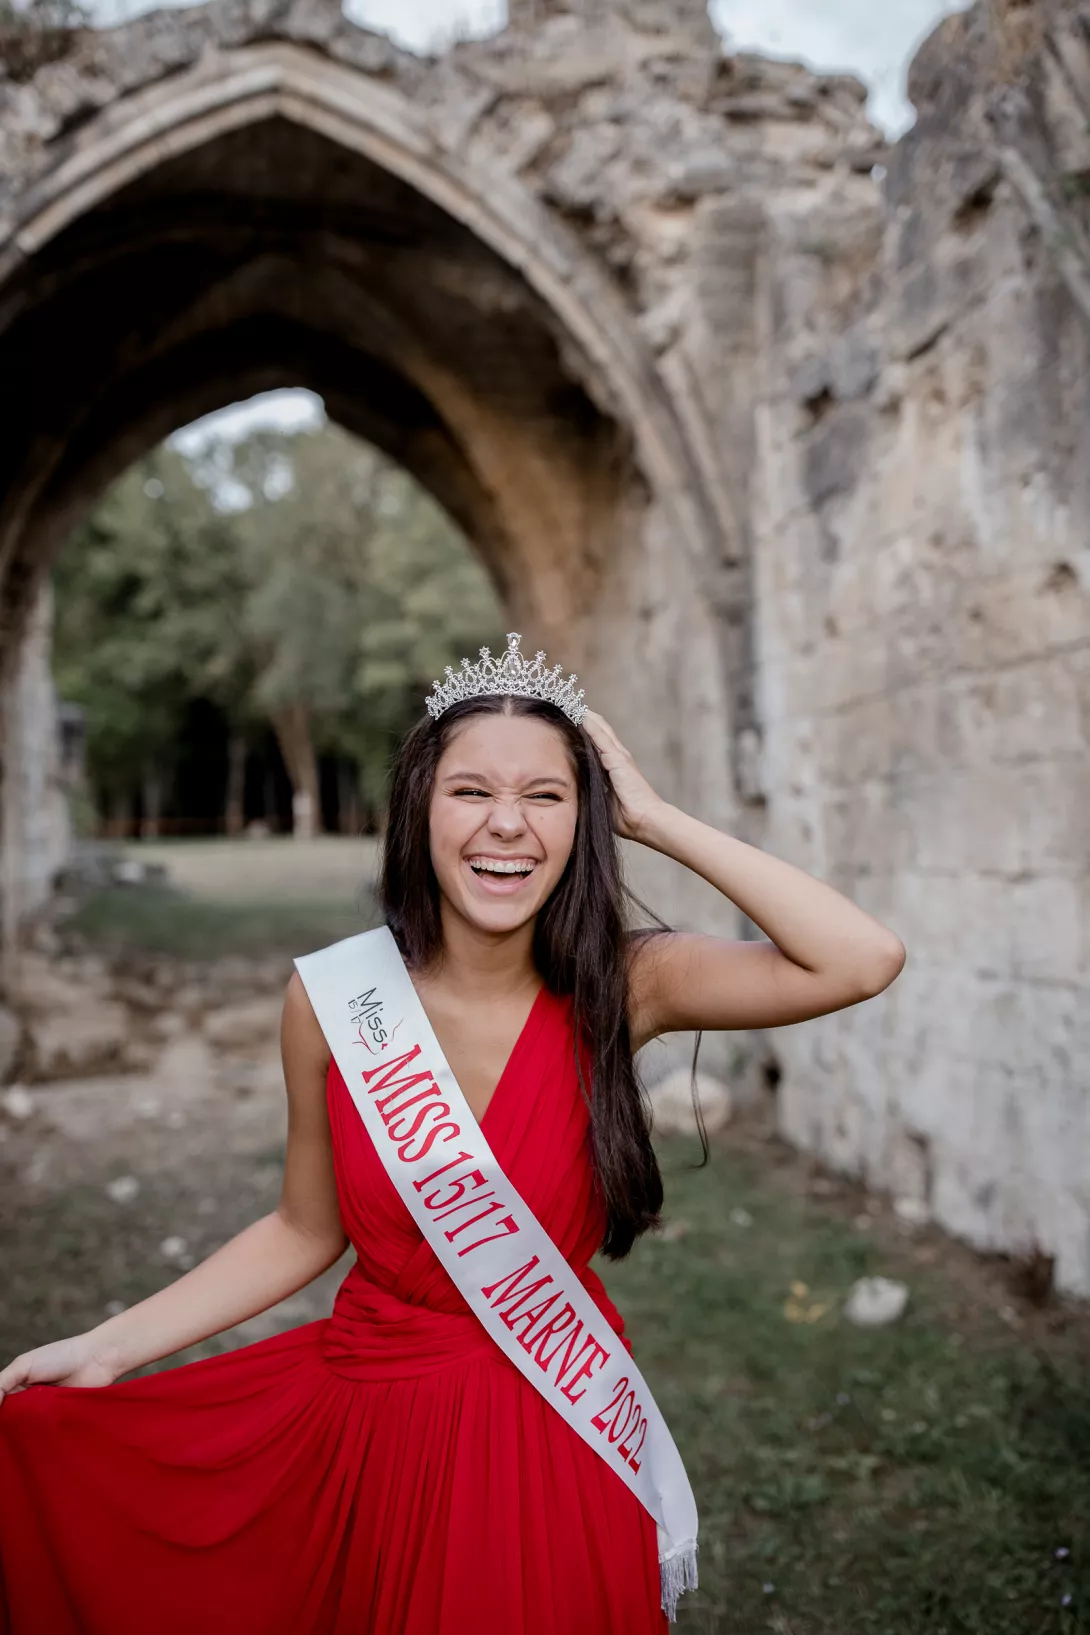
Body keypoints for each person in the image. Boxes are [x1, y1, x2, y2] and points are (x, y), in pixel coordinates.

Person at [0, 636, 905, 1635]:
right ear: (419, 809)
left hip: (550, 1429)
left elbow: (859, 960)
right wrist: (109, 1344)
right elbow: (304, 1231)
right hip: (369, 1423)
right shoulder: (332, 1001)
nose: (507, 826)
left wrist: (652, 817)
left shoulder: (626, 983)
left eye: (548, 797)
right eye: (471, 792)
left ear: (584, 819)